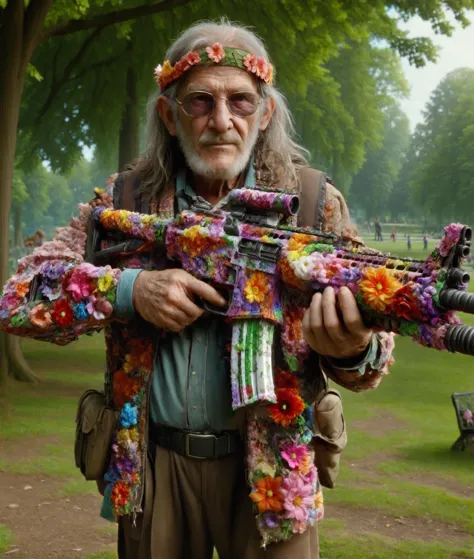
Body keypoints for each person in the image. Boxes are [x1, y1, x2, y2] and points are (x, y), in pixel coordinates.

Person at [0, 21, 395, 559]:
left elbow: (375, 346)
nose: (222, 120)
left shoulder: (311, 203)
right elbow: (19, 298)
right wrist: (131, 290)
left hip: (274, 474)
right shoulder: (127, 200)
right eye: (200, 102)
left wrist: (353, 347)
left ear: (266, 113)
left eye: (241, 101)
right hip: (155, 471)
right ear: (169, 114)